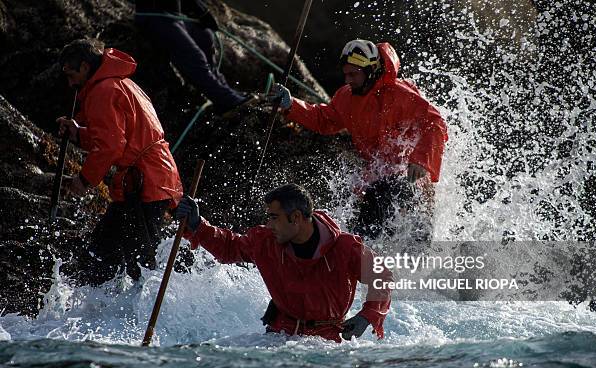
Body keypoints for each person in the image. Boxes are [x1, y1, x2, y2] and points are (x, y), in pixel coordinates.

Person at [268, 39, 448, 239]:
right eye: (346, 74)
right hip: (377, 178)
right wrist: (291, 105)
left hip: (411, 180)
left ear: (370, 71)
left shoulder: (401, 94)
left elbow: (435, 123)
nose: (348, 80)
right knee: (366, 215)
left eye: (353, 74)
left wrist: (420, 160)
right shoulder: (346, 97)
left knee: (390, 209)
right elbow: (324, 120)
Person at [176, 184, 393, 342]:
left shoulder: (346, 247)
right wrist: (198, 225)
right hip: (278, 336)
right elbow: (230, 248)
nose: (269, 224)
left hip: (330, 340)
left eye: (274, 217)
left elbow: (381, 275)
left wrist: (367, 315)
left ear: (296, 217)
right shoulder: (265, 241)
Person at [56, 38, 183, 285]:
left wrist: (84, 180)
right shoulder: (120, 84)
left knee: (137, 264)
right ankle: (103, 308)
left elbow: (112, 145)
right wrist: (78, 133)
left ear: (84, 66)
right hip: (151, 178)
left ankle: (140, 314)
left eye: (71, 74)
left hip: (146, 183)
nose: (70, 82)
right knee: (106, 253)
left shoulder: (103, 90)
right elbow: (116, 135)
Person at [134, 0, 253, 115]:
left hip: (174, 16)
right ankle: (226, 101)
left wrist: (200, 11)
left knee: (205, 35)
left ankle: (224, 91)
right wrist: (200, 9)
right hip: (154, 16)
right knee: (193, 56)